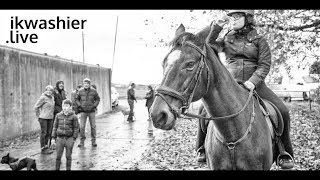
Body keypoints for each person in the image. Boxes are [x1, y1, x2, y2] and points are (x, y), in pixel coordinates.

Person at [195, 10, 294, 169]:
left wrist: (253, 81)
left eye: (237, 17)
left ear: (247, 19)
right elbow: (208, 46)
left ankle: (285, 152)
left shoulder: (260, 40)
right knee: (203, 109)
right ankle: (201, 148)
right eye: (231, 17)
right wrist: (217, 27)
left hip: (256, 84)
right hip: (230, 85)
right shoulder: (226, 38)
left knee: (282, 111)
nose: (233, 20)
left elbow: (264, 65)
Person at [51, 99, 79, 171]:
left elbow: (76, 128)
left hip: (69, 138)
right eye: (63, 106)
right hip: (59, 139)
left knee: (68, 156)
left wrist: (74, 138)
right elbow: (54, 127)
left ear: (70, 107)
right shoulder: (58, 115)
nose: (64, 107)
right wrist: (53, 138)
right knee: (58, 156)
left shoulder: (74, 117)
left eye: (66, 106)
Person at [75, 78, 100, 147]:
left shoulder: (94, 91)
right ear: (83, 84)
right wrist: (80, 105)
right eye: (85, 83)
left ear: (89, 84)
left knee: (93, 126)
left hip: (91, 111)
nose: (86, 84)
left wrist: (94, 106)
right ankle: (82, 141)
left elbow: (98, 99)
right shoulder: (80, 91)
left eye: (87, 83)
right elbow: (76, 99)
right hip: (83, 111)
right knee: (82, 127)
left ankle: (93, 141)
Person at [34, 85, 55, 154]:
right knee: (44, 133)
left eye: (50, 90)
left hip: (50, 118)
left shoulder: (52, 98)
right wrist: (38, 116)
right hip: (43, 118)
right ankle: (43, 148)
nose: (49, 91)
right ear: (45, 90)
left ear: (52, 92)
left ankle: (46, 146)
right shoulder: (43, 97)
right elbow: (36, 107)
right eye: (47, 90)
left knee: (48, 133)